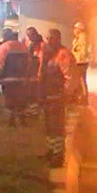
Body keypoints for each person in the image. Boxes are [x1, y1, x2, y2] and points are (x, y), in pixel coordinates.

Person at [40, 28, 76, 167]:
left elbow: (71, 78)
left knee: (57, 128)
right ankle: (51, 150)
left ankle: (58, 155)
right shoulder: (48, 55)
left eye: (52, 38)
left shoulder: (63, 55)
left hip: (57, 97)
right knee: (49, 127)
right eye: (47, 38)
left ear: (58, 39)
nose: (49, 41)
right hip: (48, 97)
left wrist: (64, 95)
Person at [0, 28, 31, 126]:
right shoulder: (23, 47)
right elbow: (29, 62)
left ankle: (11, 121)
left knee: (9, 100)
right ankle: (22, 120)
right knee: (21, 100)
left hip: (8, 79)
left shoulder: (2, 48)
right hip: (22, 79)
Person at [25, 27, 45, 117]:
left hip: (39, 73)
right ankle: (34, 111)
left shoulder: (42, 45)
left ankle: (37, 112)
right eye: (28, 36)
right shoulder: (31, 45)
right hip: (32, 73)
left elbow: (42, 60)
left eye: (31, 35)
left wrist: (39, 74)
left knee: (37, 94)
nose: (29, 38)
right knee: (32, 93)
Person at [72, 21, 90, 105]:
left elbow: (83, 51)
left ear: (79, 29)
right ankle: (81, 97)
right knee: (79, 80)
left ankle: (84, 98)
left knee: (82, 80)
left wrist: (78, 58)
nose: (74, 30)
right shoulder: (78, 38)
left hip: (81, 63)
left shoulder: (83, 38)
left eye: (75, 29)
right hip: (78, 62)